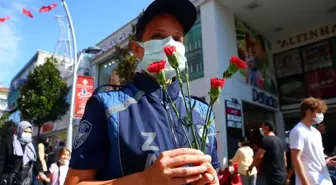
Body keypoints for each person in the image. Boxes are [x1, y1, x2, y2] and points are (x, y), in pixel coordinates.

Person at [65, 0, 220, 185]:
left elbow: (214, 172)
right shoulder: (107, 107)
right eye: (157, 36)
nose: (170, 44)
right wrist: (145, 180)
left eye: (177, 39)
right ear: (137, 49)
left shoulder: (203, 112)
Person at [290, 97, 336, 185]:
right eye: (318, 112)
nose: (321, 115)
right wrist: (305, 183)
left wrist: (329, 160)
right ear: (308, 112)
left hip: (323, 178)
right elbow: (296, 159)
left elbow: (318, 153)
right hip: (311, 180)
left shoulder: (316, 132)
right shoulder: (298, 131)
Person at [247, 121, 287, 185]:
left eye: (262, 127)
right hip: (283, 174)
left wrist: (251, 167)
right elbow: (284, 159)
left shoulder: (265, 140)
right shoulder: (280, 141)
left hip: (273, 175)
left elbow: (259, 157)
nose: (261, 129)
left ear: (266, 127)